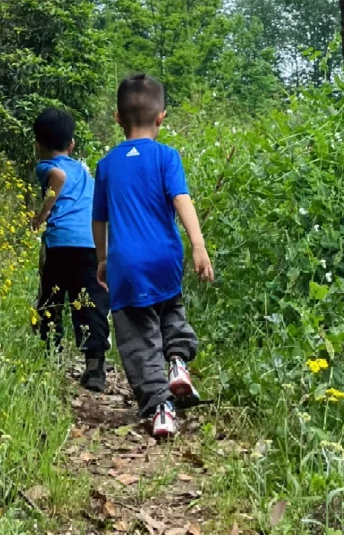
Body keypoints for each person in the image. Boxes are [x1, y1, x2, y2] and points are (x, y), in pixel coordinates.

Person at [92, 73, 214, 439]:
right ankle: (177, 362)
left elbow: (99, 220)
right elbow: (181, 200)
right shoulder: (166, 156)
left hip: (125, 265)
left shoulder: (107, 165)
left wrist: (102, 259)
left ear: (117, 118)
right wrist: (198, 244)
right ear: (161, 117)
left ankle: (161, 408)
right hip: (164, 257)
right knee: (170, 308)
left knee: (137, 337)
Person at [31, 106, 111, 391]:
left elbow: (57, 178)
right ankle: (95, 368)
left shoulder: (45, 166)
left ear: (38, 145)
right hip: (90, 243)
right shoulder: (84, 170)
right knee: (91, 304)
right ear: (72, 144)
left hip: (61, 242)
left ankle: (51, 355)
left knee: (52, 299)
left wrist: (42, 215)